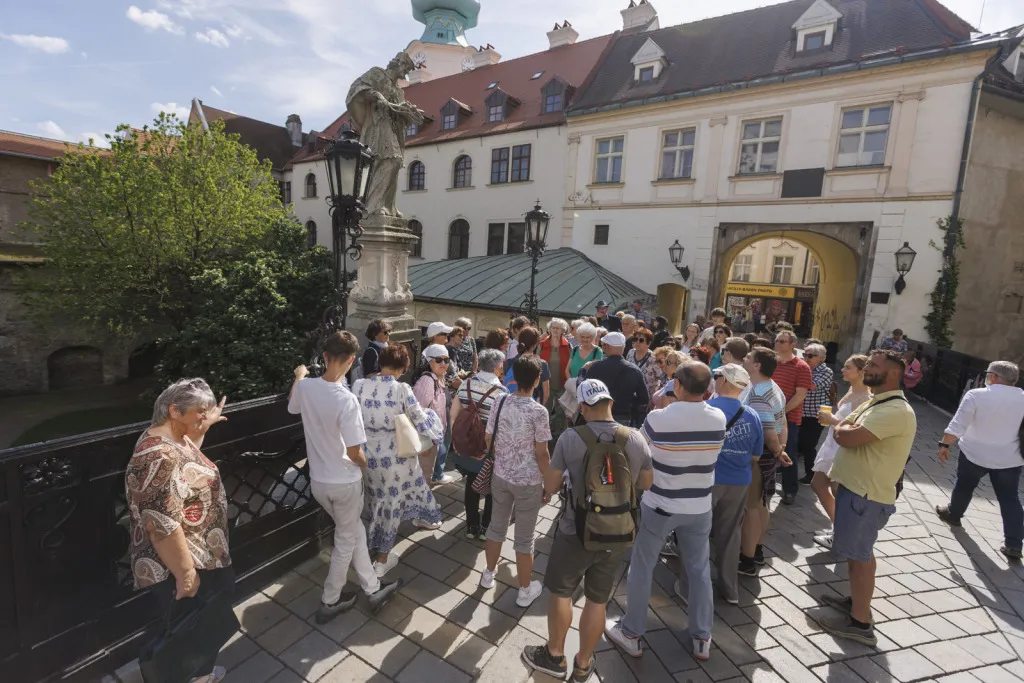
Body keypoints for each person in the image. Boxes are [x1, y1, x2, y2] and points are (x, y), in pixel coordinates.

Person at [522, 379, 654, 682]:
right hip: (618, 532)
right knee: (597, 599)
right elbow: (646, 483)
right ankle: (583, 663)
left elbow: (551, 484)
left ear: (582, 407)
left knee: (561, 593)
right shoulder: (635, 438)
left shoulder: (571, 438)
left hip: (575, 530)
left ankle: (555, 656)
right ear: (610, 404)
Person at [605, 362, 725, 662]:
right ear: (707, 389)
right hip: (699, 505)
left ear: (678, 385)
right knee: (699, 571)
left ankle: (632, 632)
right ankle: (702, 637)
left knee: (642, 566)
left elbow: (638, 449)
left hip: (661, 503)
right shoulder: (718, 417)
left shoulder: (659, 418)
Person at [288, 332, 402, 623]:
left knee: (352, 532)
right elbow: (354, 452)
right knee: (345, 541)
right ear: (352, 361)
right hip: (344, 482)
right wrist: (367, 467)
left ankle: (373, 588)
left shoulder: (306, 387)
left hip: (319, 482)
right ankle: (330, 600)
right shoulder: (346, 400)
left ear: (325, 356)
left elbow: (292, 406)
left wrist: (299, 376)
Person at [126, 379, 233, 683]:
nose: (205, 416)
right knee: (194, 625)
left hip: (195, 553)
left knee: (198, 620)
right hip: (179, 563)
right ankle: (198, 676)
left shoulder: (171, 437)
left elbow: (187, 460)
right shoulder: (158, 456)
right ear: (174, 411)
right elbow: (161, 526)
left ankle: (199, 673)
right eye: (200, 411)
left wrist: (203, 423)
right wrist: (186, 574)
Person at [816, 350, 916, 646]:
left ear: (894, 373)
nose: (867, 368)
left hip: (866, 497)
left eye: (874, 365)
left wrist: (842, 427)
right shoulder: (877, 401)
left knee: (859, 557)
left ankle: (860, 624)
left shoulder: (895, 409)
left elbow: (845, 436)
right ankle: (856, 603)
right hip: (857, 492)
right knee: (859, 554)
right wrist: (844, 427)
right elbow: (846, 428)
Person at [353, 344, 445, 577]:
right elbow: (420, 418)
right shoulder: (401, 389)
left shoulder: (359, 385)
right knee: (391, 504)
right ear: (404, 367)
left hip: (366, 454)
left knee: (374, 499)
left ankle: (370, 545)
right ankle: (381, 561)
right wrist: (435, 429)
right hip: (396, 457)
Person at [481, 354, 553, 608]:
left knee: (496, 526)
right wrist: (550, 482)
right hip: (528, 481)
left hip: (501, 475)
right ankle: (524, 590)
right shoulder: (539, 412)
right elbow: (542, 453)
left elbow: (488, 438)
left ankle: (488, 574)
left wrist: (502, 455)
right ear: (537, 380)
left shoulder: (500, 401)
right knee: (524, 538)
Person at [935, 361, 1024, 561]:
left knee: (964, 486)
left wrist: (945, 444)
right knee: (1010, 499)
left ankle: (954, 514)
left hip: (974, 453)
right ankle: (1014, 544)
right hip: (1009, 458)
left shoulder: (976, 395)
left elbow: (958, 424)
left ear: (993, 376)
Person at [707, 364, 763, 604]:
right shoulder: (752, 415)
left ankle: (691, 587)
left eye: (716, 376)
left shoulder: (708, 409)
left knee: (698, 533)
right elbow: (756, 456)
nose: (714, 379)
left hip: (709, 480)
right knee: (730, 535)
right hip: (739, 481)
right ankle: (730, 589)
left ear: (724, 381)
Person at [739, 348, 792, 576]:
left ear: (757, 365)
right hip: (770, 453)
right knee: (762, 503)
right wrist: (781, 449)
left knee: (752, 507)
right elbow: (783, 422)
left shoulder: (759, 394)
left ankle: (747, 560)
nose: (744, 359)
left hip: (759, 455)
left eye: (749, 358)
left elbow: (769, 432)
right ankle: (757, 550)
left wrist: (778, 450)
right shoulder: (773, 386)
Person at [811, 355, 871, 545]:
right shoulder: (852, 389)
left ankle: (842, 534)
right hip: (832, 442)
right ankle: (839, 529)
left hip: (843, 448)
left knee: (838, 492)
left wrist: (832, 420)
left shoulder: (865, 398)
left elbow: (857, 429)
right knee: (818, 484)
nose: (843, 370)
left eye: (848, 367)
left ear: (861, 372)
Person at [450, 348, 508, 541]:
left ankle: (471, 525)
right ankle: (485, 528)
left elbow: (454, 414)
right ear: (497, 367)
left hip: (468, 443)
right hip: (488, 448)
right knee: (491, 487)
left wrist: (457, 440)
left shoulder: (465, 384)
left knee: (471, 482)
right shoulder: (501, 393)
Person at [772, 330, 814, 505]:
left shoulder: (801, 367)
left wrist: (781, 412)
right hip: (767, 416)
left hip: (789, 418)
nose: (778, 343)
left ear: (792, 344)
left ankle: (790, 490)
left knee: (788, 452)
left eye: (782, 341)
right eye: (777, 340)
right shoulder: (771, 362)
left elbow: (800, 396)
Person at [580, 331, 649, 427]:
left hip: (598, 416)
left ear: (608, 346)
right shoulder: (635, 370)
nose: (602, 348)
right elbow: (644, 399)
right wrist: (628, 401)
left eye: (603, 345)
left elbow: (583, 390)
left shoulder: (595, 367)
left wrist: (583, 370)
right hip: (623, 418)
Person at [414, 344, 457, 485]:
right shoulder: (427, 380)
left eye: (446, 360)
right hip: (427, 439)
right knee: (423, 478)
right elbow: (417, 412)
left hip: (434, 437)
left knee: (427, 474)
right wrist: (422, 442)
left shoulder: (439, 377)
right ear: (429, 361)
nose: (443, 363)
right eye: (438, 360)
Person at [797, 343, 833, 485]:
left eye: (810, 355)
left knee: (809, 445)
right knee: (797, 442)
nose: (806, 358)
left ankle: (811, 474)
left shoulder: (826, 371)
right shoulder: (804, 368)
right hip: (801, 412)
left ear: (821, 358)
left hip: (817, 414)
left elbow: (811, 386)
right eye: (804, 355)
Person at [540, 318, 572, 442]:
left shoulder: (568, 346)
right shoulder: (542, 345)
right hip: (545, 384)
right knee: (545, 410)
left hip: (562, 383)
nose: (555, 330)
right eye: (553, 327)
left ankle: (559, 437)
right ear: (549, 329)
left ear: (563, 330)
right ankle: (544, 435)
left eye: (558, 328)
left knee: (561, 413)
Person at [628, 328, 661, 402]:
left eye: (641, 340)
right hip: (630, 397)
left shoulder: (654, 358)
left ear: (648, 343)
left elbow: (660, 378)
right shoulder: (630, 353)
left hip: (647, 400)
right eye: (635, 339)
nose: (637, 342)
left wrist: (654, 399)